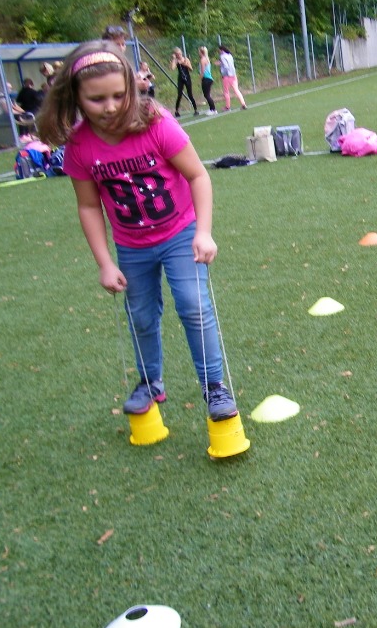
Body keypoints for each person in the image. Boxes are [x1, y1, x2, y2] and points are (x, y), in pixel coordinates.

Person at [35, 41, 239, 423]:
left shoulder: (155, 121)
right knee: (141, 315)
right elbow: (88, 206)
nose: (110, 107)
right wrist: (104, 263)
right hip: (132, 245)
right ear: (76, 97)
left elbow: (198, 175)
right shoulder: (79, 145)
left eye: (118, 95)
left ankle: (215, 387)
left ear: (131, 88)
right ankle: (150, 382)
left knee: (194, 306)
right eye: (97, 99)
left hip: (180, 233)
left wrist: (204, 232)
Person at [217, 44, 247, 111]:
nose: (219, 52)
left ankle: (227, 106)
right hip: (233, 74)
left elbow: (226, 66)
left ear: (221, 50)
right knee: (236, 90)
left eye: (219, 50)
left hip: (227, 76)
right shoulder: (229, 55)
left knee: (226, 91)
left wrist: (223, 74)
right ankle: (243, 104)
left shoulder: (222, 56)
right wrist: (221, 63)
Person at [170, 47, 198, 117]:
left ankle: (195, 109)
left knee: (190, 94)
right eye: (177, 54)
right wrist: (174, 59)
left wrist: (185, 64)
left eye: (180, 54)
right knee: (179, 95)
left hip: (187, 78)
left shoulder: (186, 59)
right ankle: (176, 111)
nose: (179, 55)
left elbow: (191, 69)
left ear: (181, 53)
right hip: (180, 79)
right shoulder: (176, 60)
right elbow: (172, 68)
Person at [197, 46, 217, 114]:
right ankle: (212, 108)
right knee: (207, 95)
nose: (198, 53)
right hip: (208, 78)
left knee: (207, 95)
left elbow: (202, 71)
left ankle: (213, 109)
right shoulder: (206, 59)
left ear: (201, 52)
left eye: (199, 51)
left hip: (206, 78)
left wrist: (200, 79)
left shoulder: (203, 60)